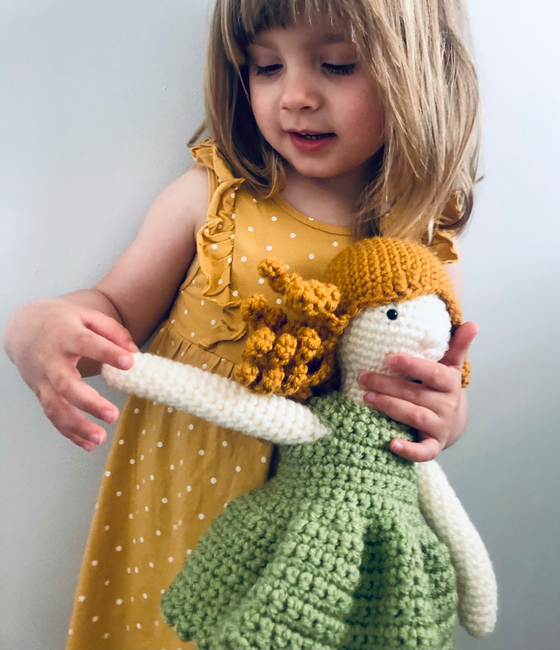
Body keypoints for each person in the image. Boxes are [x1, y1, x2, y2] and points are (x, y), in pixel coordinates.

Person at [3, 1, 481, 648]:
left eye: (337, 64)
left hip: (317, 551)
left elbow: (429, 395)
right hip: (183, 509)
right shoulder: (214, 197)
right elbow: (112, 315)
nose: (296, 96)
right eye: (266, 67)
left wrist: (446, 417)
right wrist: (37, 327)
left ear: (420, 73)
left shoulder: (423, 242)